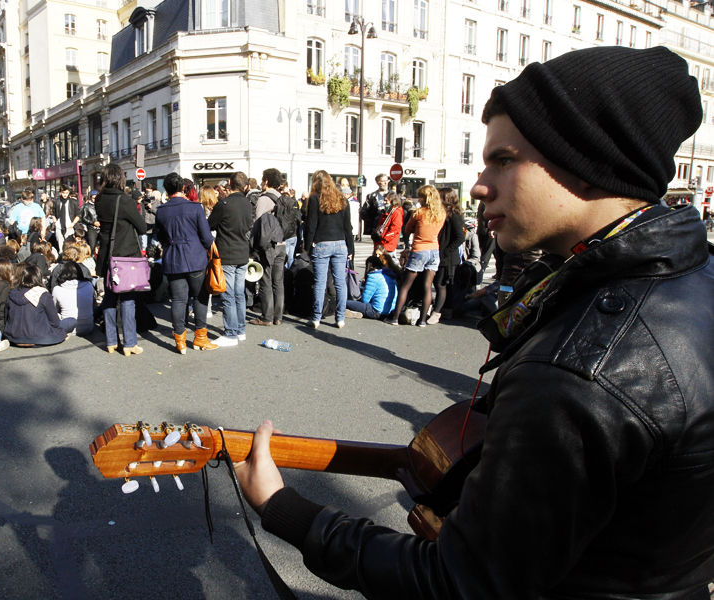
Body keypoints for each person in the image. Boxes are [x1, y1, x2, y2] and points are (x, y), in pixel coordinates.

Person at [236, 46, 714, 598]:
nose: (480, 183)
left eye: (504, 159)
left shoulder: (580, 368)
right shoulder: (690, 278)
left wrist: (283, 507)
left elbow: (454, 583)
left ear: (585, 159)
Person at [154, 172, 217, 353]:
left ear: (166, 189)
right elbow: (206, 237)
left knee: (178, 300)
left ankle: (180, 341)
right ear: (183, 188)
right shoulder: (195, 208)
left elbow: (160, 237)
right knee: (200, 297)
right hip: (195, 257)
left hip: (173, 258)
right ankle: (200, 338)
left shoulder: (161, 210)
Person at [95, 163, 146, 356]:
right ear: (120, 179)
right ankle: (130, 343)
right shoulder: (124, 200)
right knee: (127, 299)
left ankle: (110, 341)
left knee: (108, 297)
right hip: (125, 256)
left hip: (107, 255)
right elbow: (141, 227)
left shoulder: (99, 199)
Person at [385, 184, 445, 327]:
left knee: (406, 285)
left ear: (425, 198)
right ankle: (423, 320)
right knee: (427, 286)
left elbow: (408, 229)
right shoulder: (441, 213)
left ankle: (395, 317)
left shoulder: (419, 213)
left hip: (419, 249)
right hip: (434, 250)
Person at [207, 172, 254, 347]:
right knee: (239, 294)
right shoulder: (247, 203)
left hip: (227, 253)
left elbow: (209, 225)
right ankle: (240, 330)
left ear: (229, 183)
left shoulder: (224, 204)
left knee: (228, 295)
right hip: (242, 252)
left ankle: (231, 332)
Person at [304, 170, 353, 329]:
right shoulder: (341, 199)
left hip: (322, 243)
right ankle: (340, 318)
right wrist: (351, 248)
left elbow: (311, 226)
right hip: (340, 243)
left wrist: (307, 247)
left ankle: (316, 317)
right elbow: (348, 227)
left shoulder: (315, 199)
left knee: (320, 282)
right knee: (340, 282)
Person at [249, 168, 288, 327]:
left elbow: (258, 224)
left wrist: (253, 248)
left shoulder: (264, 199)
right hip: (282, 243)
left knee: (265, 280)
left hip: (268, 245)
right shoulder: (282, 197)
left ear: (266, 181)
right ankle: (278, 316)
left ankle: (266, 317)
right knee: (278, 282)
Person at [427, 187, 466, 325]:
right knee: (443, 285)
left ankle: (436, 313)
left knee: (440, 284)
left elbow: (460, 237)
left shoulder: (454, 215)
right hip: (441, 253)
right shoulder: (443, 213)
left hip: (447, 256)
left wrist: (445, 252)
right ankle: (446, 310)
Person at [4, 263, 67, 347]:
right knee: (71, 321)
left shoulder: (12, 293)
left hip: (13, 336)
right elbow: (54, 322)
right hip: (39, 337)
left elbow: (6, 316)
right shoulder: (43, 294)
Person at [345, 252, 399, 320]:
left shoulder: (373, 276)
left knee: (345, 302)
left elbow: (365, 300)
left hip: (376, 311)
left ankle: (354, 312)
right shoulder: (390, 275)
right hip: (390, 311)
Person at [51, 260, 95, 336]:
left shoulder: (57, 289)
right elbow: (93, 304)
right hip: (88, 327)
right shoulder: (89, 285)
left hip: (68, 329)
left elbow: (54, 309)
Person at [374, 191, 403, 257]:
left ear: (392, 201)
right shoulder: (387, 211)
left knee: (388, 263)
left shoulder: (396, 212)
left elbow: (395, 229)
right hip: (382, 242)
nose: (384, 202)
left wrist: (385, 238)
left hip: (387, 243)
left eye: (386, 200)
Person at [359, 173, 389, 238]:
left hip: (389, 228)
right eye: (383, 181)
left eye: (386, 180)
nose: (385, 183)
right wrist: (372, 223)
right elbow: (364, 212)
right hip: (377, 228)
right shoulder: (372, 196)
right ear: (378, 183)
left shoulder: (393, 195)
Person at [53, 185, 78, 252]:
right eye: (63, 193)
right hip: (59, 226)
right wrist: (55, 222)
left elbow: (78, 215)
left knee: (69, 245)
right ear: (61, 192)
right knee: (60, 246)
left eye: (66, 193)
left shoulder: (73, 202)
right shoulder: (57, 201)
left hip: (69, 226)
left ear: (69, 192)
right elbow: (53, 213)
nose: (65, 195)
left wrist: (73, 224)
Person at [79, 190, 100, 254]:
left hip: (100, 228)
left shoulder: (100, 205)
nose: (95, 199)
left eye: (96, 198)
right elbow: (84, 218)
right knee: (92, 246)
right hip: (92, 229)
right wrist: (93, 222)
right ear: (90, 197)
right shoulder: (86, 206)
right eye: (93, 198)